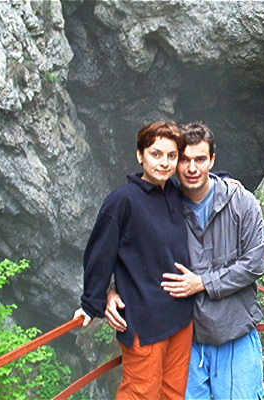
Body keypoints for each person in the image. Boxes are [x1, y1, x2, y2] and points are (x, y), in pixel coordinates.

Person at [106, 122, 264, 400]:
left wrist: (203, 282)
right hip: (185, 335)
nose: (192, 168)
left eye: (200, 159)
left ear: (212, 160)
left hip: (234, 331)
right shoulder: (164, 203)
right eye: (184, 160)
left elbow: (254, 263)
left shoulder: (241, 202)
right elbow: (134, 249)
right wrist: (112, 289)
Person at [73, 121, 194, 400]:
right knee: (141, 393)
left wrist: (224, 179)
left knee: (173, 394)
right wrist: (92, 302)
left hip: (180, 318)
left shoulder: (175, 192)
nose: (164, 163)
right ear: (140, 155)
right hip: (144, 319)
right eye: (156, 154)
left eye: (171, 156)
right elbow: (100, 253)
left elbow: (201, 179)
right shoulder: (123, 200)